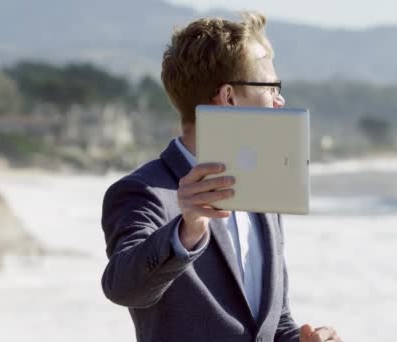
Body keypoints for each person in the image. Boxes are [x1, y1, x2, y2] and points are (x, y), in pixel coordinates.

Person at [100, 12, 342, 342]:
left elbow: (274, 322)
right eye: (271, 87)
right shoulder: (143, 192)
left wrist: (304, 339)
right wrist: (187, 229)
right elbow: (123, 287)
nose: (279, 100)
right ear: (229, 96)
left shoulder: (266, 190)